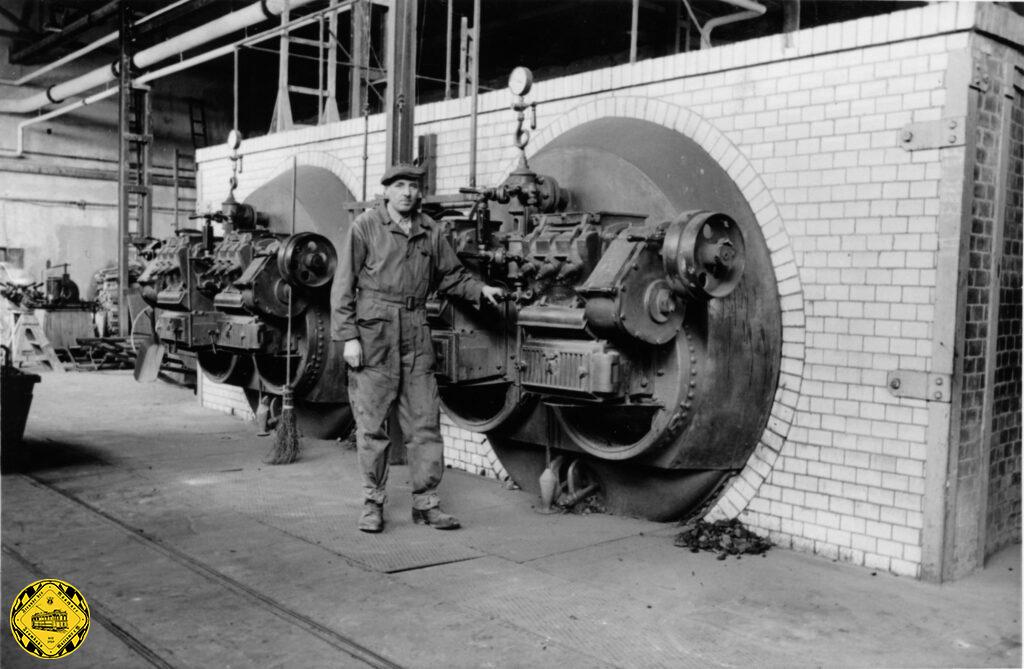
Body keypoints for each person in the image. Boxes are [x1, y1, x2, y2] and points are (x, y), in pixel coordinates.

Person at [331, 163, 504, 533]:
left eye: (413, 186)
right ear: (387, 191)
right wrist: (348, 337)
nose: (408, 192)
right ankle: (373, 503)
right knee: (373, 425)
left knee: (425, 423)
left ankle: (426, 504)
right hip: (374, 333)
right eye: (400, 186)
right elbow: (343, 284)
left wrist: (480, 290)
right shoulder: (366, 226)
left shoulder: (431, 230)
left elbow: (452, 276)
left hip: (415, 332)